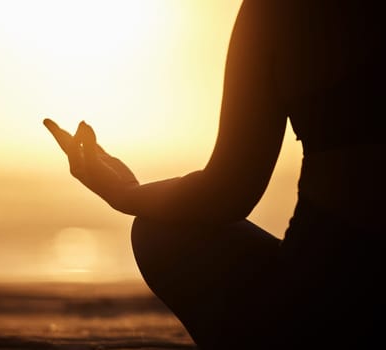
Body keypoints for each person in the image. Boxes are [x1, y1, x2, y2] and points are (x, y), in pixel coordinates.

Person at [44, 1, 384, 349]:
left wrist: (125, 193)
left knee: (158, 232)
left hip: (326, 296)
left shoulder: (276, 11)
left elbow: (228, 192)